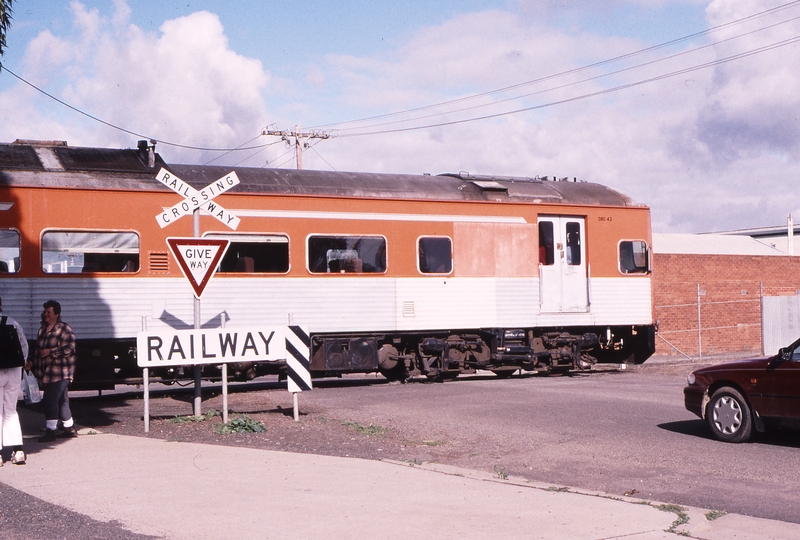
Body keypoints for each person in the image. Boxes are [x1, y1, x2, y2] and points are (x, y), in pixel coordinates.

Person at [28, 300, 77, 443]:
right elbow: (38, 352)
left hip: (62, 372)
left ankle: (51, 431)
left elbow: (69, 348)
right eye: (45, 312)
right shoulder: (42, 330)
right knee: (61, 401)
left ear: (56, 313)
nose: (45, 314)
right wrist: (30, 362)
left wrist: (51, 351)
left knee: (50, 399)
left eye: (49, 312)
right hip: (47, 373)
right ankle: (69, 428)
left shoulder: (64, 329)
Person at [0, 296, 28, 464]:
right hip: (13, 371)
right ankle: (18, 450)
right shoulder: (12, 322)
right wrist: (21, 363)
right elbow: (23, 346)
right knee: (10, 410)